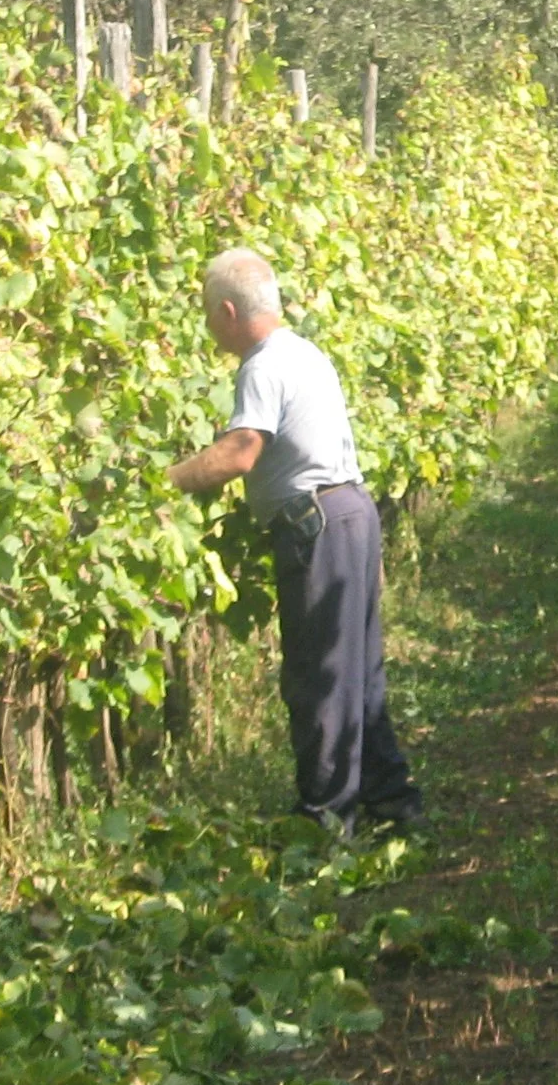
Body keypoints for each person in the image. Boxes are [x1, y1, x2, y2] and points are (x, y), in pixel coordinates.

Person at [168, 248, 424, 832]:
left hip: (318, 528)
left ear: (229, 311)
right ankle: (389, 796)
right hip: (352, 514)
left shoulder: (261, 365)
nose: (209, 327)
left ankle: (326, 819)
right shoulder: (305, 352)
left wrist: (163, 487)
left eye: (210, 315)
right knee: (359, 667)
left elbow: (240, 452)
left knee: (319, 675)